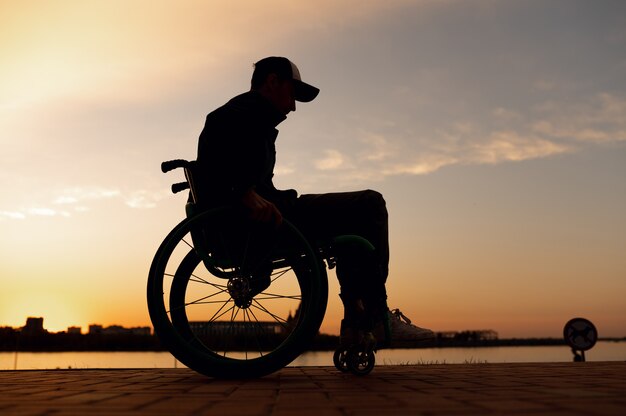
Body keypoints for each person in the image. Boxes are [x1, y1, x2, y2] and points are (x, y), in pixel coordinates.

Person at [195, 56, 434, 348]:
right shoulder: (242, 112)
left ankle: (357, 324)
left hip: (262, 215)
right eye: (293, 94)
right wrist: (243, 192)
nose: (294, 106)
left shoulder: (253, 118)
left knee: (350, 231)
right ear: (272, 82)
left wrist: (250, 191)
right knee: (370, 204)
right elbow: (212, 151)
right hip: (256, 221)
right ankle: (373, 315)